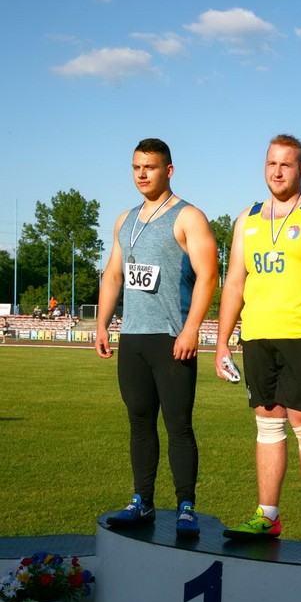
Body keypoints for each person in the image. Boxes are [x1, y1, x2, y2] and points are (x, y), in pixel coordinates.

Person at [215, 134, 301, 551]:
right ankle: (267, 517)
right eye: (271, 163)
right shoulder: (248, 218)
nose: (277, 171)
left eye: (286, 164)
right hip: (257, 336)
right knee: (267, 423)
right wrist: (222, 342)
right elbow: (234, 282)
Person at [96, 138, 218, 538]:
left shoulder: (188, 217)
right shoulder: (125, 219)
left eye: (149, 167)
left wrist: (191, 328)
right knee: (139, 423)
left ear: (169, 170)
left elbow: (209, 275)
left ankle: (186, 507)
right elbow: (114, 274)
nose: (142, 174)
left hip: (171, 337)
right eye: (136, 167)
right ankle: (142, 501)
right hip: (133, 338)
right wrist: (102, 324)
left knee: (178, 425)